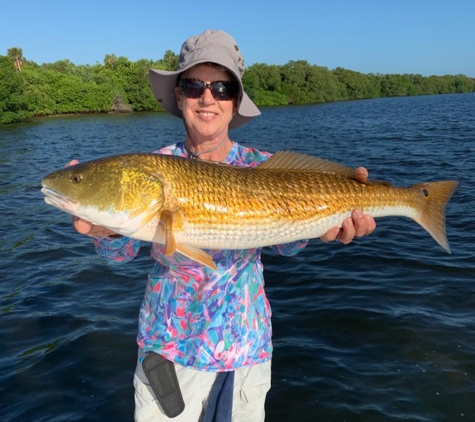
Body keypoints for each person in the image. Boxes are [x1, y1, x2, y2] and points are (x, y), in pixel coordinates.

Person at [69, 30, 376, 422]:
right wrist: (104, 231)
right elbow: (120, 253)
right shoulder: (151, 166)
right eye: (194, 85)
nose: (207, 97)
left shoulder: (263, 166)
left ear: (235, 102)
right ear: (179, 96)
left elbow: (284, 244)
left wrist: (325, 227)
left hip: (246, 352)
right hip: (170, 353)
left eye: (222, 87)